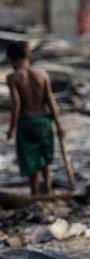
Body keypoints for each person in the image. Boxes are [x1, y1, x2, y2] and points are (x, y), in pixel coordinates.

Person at [6, 42, 65, 196]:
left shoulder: (13, 77)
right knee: (45, 157)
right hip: (44, 122)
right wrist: (58, 124)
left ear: (11, 60)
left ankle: (34, 193)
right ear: (28, 57)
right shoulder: (42, 74)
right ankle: (48, 189)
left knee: (31, 160)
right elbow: (50, 100)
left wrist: (12, 128)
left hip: (26, 122)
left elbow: (16, 102)